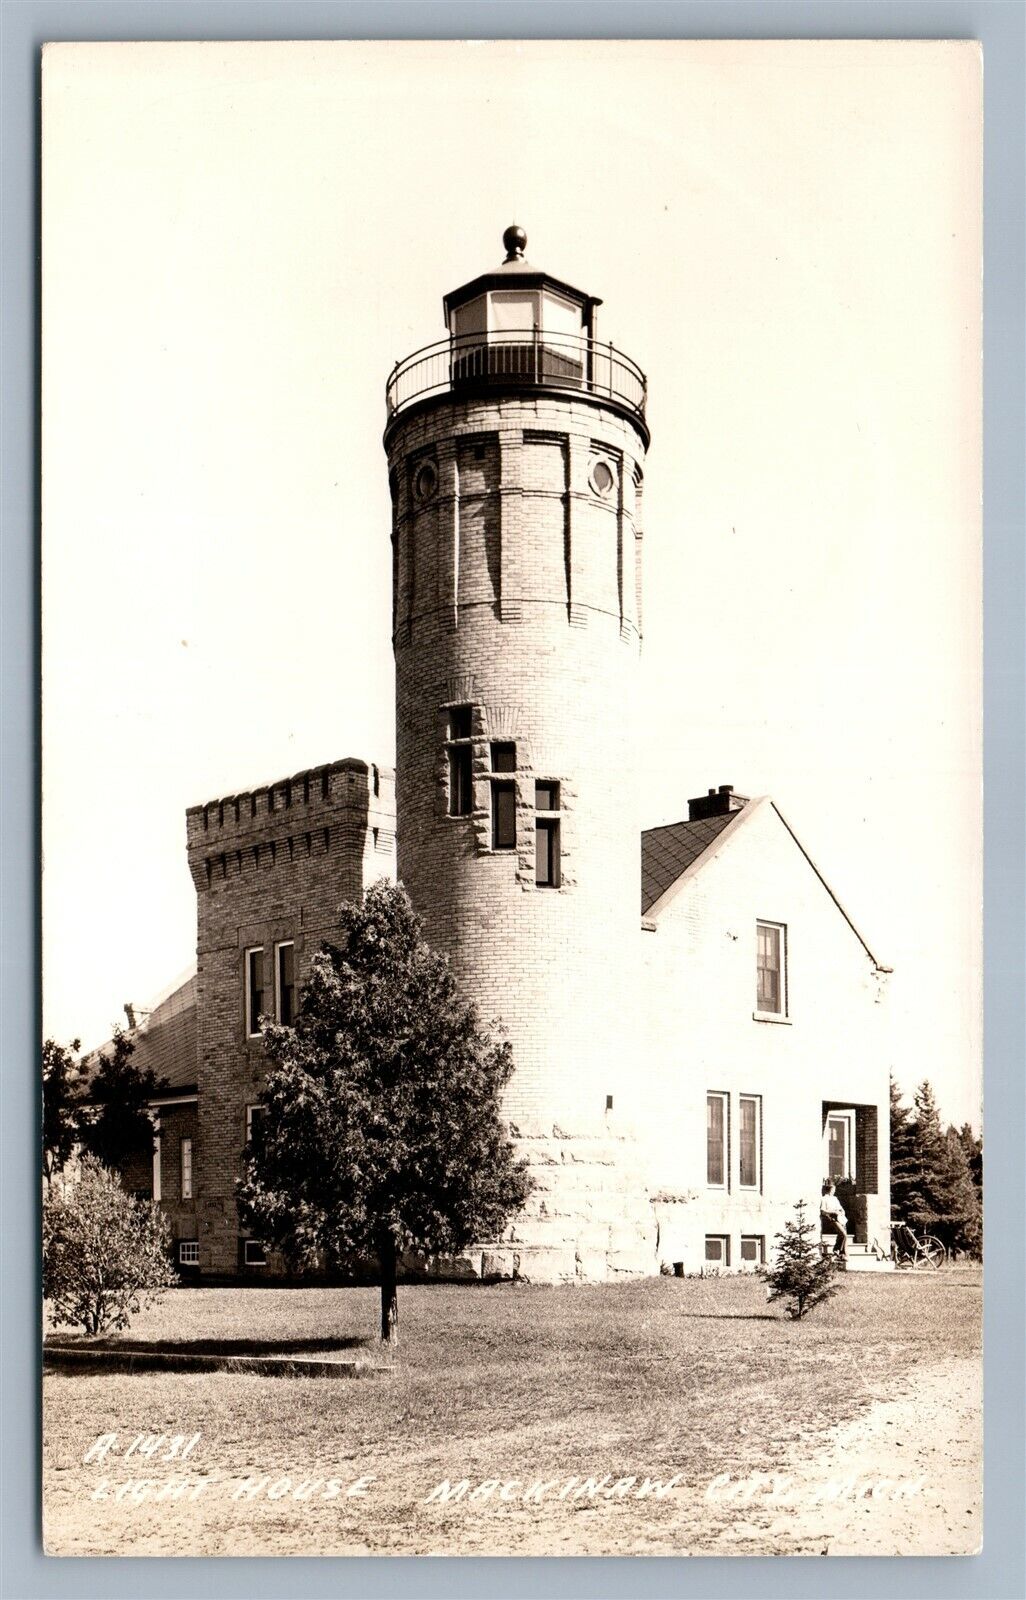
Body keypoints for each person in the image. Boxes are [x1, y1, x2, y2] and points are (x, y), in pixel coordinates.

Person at [820, 1179, 848, 1262]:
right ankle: (837, 1252)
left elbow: (840, 1208)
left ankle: (841, 1254)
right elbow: (823, 1211)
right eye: (833, 1190)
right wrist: (833, 1212)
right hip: (831, 1218)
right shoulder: (824, 1199)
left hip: (840, 1218)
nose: (834, 1191)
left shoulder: (835, 1198)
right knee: (843, 1234)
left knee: (842, 1235)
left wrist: (842, 1211)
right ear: (830, 1190)